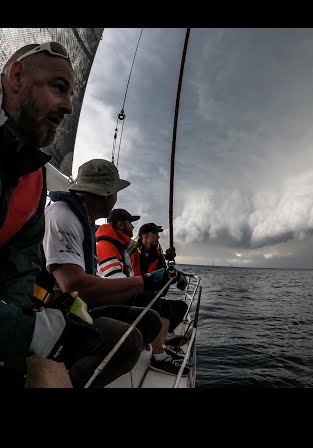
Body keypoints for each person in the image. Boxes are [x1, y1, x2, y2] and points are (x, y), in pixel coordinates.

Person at [43, 159, 175, 386]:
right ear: (106, 195)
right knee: (129, 342)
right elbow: (74, 285)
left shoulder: (84, 222)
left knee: (151, 320)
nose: (116, 198)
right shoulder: (63, 217)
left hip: (77, 308)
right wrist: (144, 282)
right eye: (115, 191)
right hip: (53, 314)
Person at [1, 41, 80, 387]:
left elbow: (20, 273)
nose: (67, 107)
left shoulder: (34, 179)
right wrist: (25, 336)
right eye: (59, 88)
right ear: (16, 75)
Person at [96, 209, 189, 376]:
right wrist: (148, 281)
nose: (133, 227)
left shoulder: (121, 246)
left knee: (172, 306)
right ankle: (158, 356)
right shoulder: (107, 246)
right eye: (130, 223)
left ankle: (160, 349)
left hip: (127, 293)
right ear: (120, 224)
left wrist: (169, 273)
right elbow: (116, 282)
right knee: (152, 302)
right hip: (112, 299)